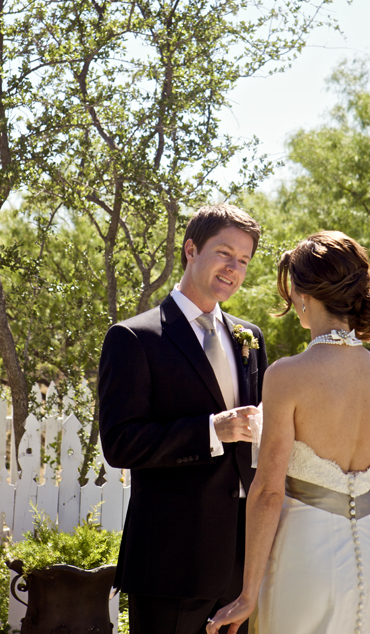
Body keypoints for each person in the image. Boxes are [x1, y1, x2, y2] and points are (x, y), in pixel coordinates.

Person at [207, 230, 370, 634]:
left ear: (301, 295)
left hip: (305, 561)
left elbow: (268, 491)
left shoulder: (288, 375)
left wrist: (246, 596)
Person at [98, 204, 268, 634]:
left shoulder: (250, 337)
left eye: (244, 260)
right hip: (170, 561)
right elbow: (121, 443)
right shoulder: (134, 337)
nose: (234, 268)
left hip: (239, 563)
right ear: (191, 249)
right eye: (224, 253)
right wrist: (213, 431)